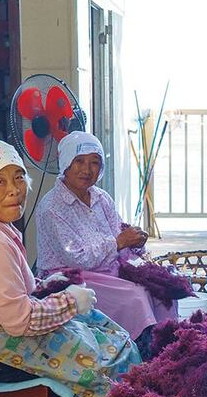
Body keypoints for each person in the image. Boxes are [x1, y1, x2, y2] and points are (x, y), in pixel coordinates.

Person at [0, 140, 141, 397]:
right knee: (102, 357)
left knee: (101, 325)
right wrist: (69, 302)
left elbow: (8, 286)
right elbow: (20, 322)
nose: (14, 190)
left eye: (19, 178)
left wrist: (46, 284)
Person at [35, 132, 176, 356]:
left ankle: (167, 353)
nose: (86, 169)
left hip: (107, 268)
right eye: (79, 161)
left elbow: (119, 233)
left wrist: (136, 242)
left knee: (164, 286)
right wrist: (119, 242)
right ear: (65, 164)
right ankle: (138, 360)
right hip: (70, 276)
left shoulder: (101, 197)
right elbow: (77, 257)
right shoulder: (51, 207)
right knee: (136, 297)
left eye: (94, 163)